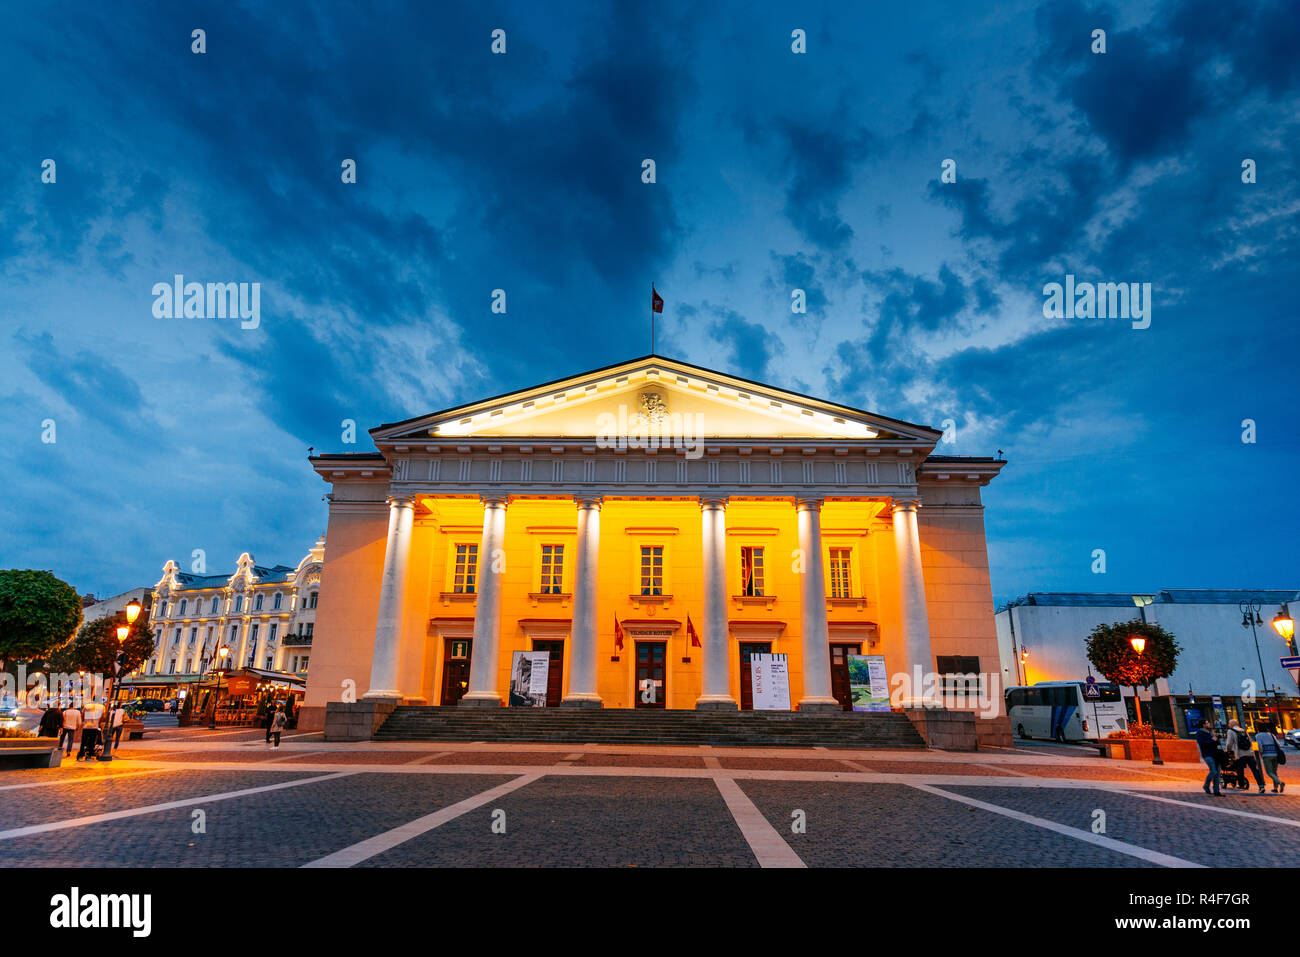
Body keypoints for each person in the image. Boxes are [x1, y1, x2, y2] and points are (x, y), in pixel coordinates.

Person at [1228, 719, 1266, 794]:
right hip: (1249, 753)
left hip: (1240, 754)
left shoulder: (1231, 731)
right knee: (1255, 770)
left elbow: (1229, 744)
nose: (1228, 725)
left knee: (1240, 769)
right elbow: (1250, 741)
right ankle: (1261, 785)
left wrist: (1228, 750)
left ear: (1232, 724)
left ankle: (1241, 785)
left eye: (1229, 723)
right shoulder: (1243, 730)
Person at [1256, 722, 1286, 793]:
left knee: (1269, 772)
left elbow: (1260, 747)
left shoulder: (1258, 736)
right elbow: (1278, 744)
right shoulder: (1271, 735)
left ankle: (1280, 782)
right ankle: (1275, 788)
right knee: (1274, 772)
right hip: (1275, 755)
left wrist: (1261, 753)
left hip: (1266, 755)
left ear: (1258, 728)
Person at [1196, 719, 1221, 796]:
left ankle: (1216, 791)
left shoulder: (1209, 733)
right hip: (1207, 754)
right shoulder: (1200, 733)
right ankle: (1206, 785)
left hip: (1215, 754)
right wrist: (1212, 740)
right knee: (1213, 771)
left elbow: (1214, 743)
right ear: (1204, 725)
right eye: (1207, 723)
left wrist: (1217, 739)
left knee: (1217, 772)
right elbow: (1202, 744)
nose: (1209, 724)